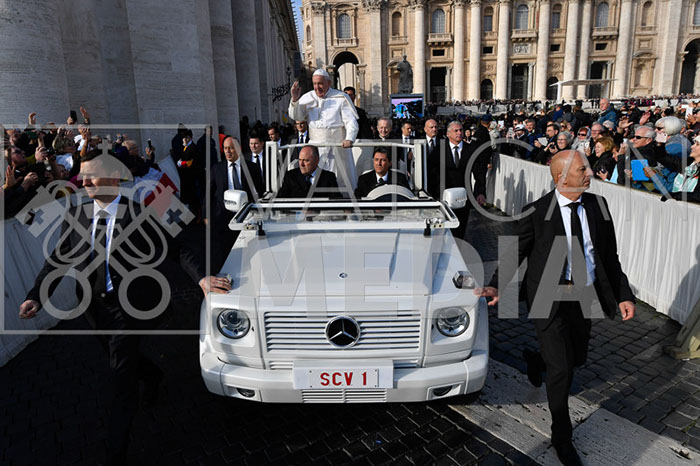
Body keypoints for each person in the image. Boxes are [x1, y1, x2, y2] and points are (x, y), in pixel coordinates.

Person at [18, 150, 228, 465]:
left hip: (127, 309)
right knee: (117, 357)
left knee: (121, 375)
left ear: (114, 178)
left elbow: (176, 249)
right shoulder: (76, 215)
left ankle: (115, 453)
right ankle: (153, 375)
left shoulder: (140, 213)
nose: (84, 182)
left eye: (91, 176)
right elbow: (58, 260)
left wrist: (201, 278)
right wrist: (36, 295)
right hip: (92, 307)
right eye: (82, 176)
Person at [476, 150, 635, 466]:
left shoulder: (598, 206)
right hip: (547, 295)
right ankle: (561, 438)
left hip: (585, 295)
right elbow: (514, 252)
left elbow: (609, 256)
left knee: (576, 358)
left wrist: (623, 294)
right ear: (561, 177)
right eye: (582, 169)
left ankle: (537, 360)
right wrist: (496, 284)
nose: (590, 173)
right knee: (561, 369)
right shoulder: (536, 212)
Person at [289, 69, 359, 190]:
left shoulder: (340, 98)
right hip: (315, 149)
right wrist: (295, 100)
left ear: (329, 83)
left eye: (320, 83)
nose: (317, 87)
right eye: (315, 84)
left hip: (336, 147)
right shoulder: (308, 97)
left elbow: (351, 121)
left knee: (339, 181)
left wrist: (349, 138)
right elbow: (297, 116)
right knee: (315, 181)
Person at [210, 136, 263, 269]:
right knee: (226, 249)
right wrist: (207, 215)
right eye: (225, 148)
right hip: (223, 217)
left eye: (231, 148)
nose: (228, 151)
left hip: (246, 215)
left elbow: (260, 191)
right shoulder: (217, 168)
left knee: (248, 247)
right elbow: (209, 192)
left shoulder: (252, 167)